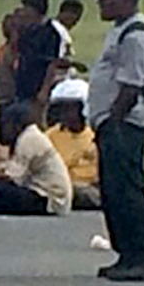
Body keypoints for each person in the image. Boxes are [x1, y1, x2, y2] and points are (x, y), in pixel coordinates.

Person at [86, 0, 144, 282]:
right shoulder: (120, 31)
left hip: (125, 124)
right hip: (112, 123)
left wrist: (113, 123)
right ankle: (126, 254)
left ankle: (142, 256)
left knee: (127, 191)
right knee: (113, 193)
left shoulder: (136, 37)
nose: (101, 2)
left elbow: (131, 86)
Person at [0, 100, 75, 217]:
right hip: (47, 194)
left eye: (6, 125)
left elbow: (11, 177)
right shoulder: (29, 136)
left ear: (15, 124)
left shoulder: (28, 139)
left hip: (50, 198)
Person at [43, 79, 105, 212]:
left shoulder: (95, 135)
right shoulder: (51, 136)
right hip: (61, 185)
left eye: (70, 109)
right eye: (62, 109)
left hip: (89, 187)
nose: (65, 114)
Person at [10, 0, 62, 121]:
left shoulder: (50, 33)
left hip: (37, 87)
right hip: (23, 87)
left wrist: (44, 90)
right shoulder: (28, 30)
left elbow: (52, 63)